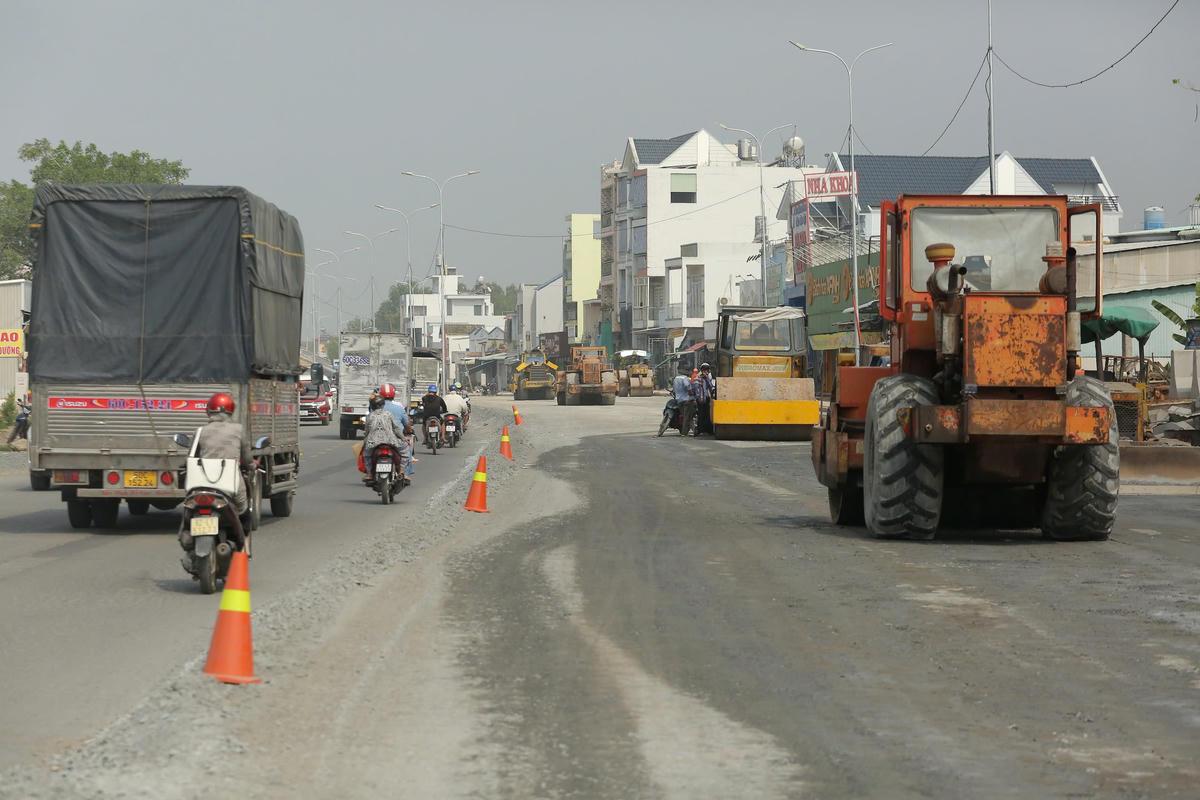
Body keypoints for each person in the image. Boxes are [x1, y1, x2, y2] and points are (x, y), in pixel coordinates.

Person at [195, 392, 251, 514]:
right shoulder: (238, 430)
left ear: (209, 410)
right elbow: (246, 457)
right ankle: (244, 532)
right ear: (230, 410)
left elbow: (192, 456)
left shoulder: (201, 431)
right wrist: (251, 466)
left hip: (203, 481)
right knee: (243, 507)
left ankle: (184, 533)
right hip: (230, 481)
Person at [361, 393, 411, 482]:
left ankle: (369, 473)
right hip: (390, 440)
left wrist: (365, 441)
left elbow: (367, 432)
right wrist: (403, 439)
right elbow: (396, 428)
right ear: (383, 404)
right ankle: (402, 471)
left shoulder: (369, 416)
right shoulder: (389, 414)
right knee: (405, 450)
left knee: (366, 455)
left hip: (373, 442)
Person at [377, 383, 414, 474]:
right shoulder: (399, 408)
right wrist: (409, 431)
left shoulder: (375, 407)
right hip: (396, 439)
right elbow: (406, 424)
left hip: (377, 439)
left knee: (366, 453)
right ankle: (403, 472)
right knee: (406, 452)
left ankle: (369, 473)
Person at [671, 363, 697, 436]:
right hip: (687, 400)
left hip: (679, 401)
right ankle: (684, 433)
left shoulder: (676, 378)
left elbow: (674, 389)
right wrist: (693, 394)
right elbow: (688, 388)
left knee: (685, 416)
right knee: (687, 417)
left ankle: (693, 429)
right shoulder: (685, 378)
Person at [693, 362, 716, 435]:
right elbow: (696, 390)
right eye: (705, 370)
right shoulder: (698, 378)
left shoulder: (707, 378)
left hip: (707, 398)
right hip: (701, 399)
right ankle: (700, 430)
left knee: (707, 415)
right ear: (702, 370)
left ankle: (708, 430)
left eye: (707, 370)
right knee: (701, 415)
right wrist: (699, 398)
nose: (706, 371)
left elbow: (711, 386)